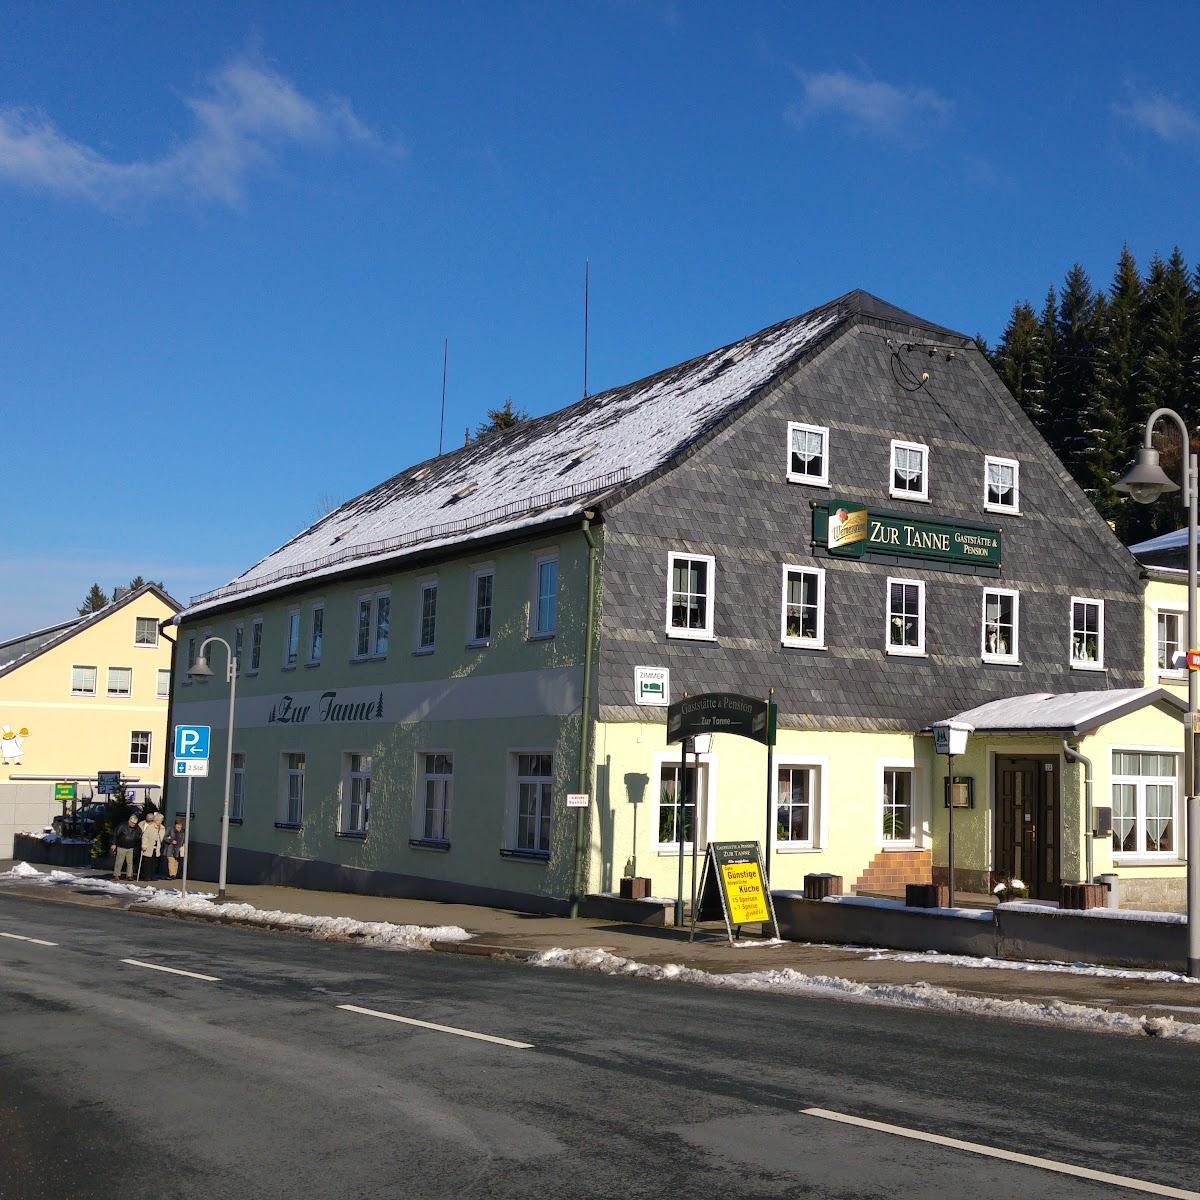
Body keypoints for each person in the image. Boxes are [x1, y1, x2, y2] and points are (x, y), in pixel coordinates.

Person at [112, 814, 140, 881]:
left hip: (131, 847)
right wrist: (114, 844)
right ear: (129, 821)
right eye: (132, 823)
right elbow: (115, 834)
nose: (133, 824)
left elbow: (139, 835)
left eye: (135, 823)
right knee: (119, 862)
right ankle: (116, 875)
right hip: (122, 846)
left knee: (130, 862)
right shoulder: (122, 826)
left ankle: (129, 875)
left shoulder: (137, 828)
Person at [138, 811, 165, 881]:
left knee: (154, 863)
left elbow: (161, 837)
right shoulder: (150, 827)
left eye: (161, 820)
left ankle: (152, 876)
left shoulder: (162, 828)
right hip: (149, 847)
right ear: (156, 820)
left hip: (157, 848)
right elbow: (145, 836)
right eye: (159, 820)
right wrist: (144, 845)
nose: (160, 822)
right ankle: (147, 876)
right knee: (147, 863)